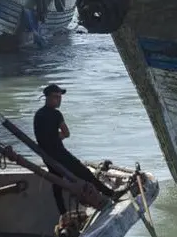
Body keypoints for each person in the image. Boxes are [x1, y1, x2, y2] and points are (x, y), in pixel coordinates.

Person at [33, 84, 119, 215]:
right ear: (47, 98)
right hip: (60, 154)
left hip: (47, 156)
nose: (59, 100)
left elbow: (41, 137)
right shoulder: (56, 114)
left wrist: (51, 140)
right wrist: (56, 139)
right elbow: (66, 133)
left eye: (60, 97)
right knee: (86, 174)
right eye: (56, 97)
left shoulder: (38, 115)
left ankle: (63, 214)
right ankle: (111, 193)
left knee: (57, 184)